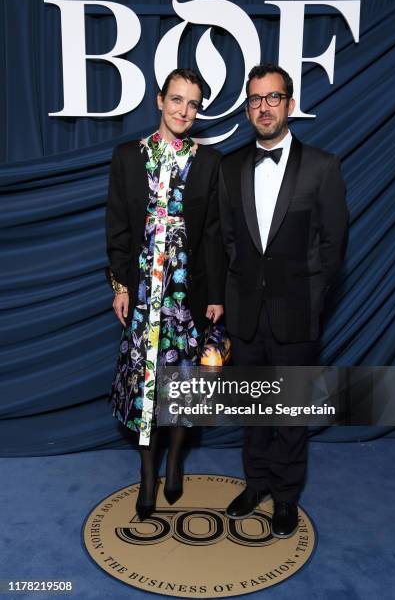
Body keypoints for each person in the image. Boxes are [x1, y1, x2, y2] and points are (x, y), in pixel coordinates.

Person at [219, 64, 348, 538]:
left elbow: (334, 244)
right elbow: (228, 240)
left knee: (290, 413)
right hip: (245, 313)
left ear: (290, 104)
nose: (264, 107)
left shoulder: (322, 165)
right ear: (248, 108)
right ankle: (256, 484)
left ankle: (287, 496)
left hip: (298, 312)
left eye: (273, 98)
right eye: (255, 99)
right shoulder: (231, 167)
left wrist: (311, 298)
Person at [106, 68, 224, 521]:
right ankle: (148, 468)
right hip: (143, 296)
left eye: (193, 104)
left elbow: (213, 234)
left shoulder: (209, 162)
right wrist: (120, 285)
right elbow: (117, 227)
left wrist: (215, 293)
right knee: (145, 386)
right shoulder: (127, 157)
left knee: (183, 383)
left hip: (185, 295)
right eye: (176, 100)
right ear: (159, 101)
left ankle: (175, 460)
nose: (184, 111)